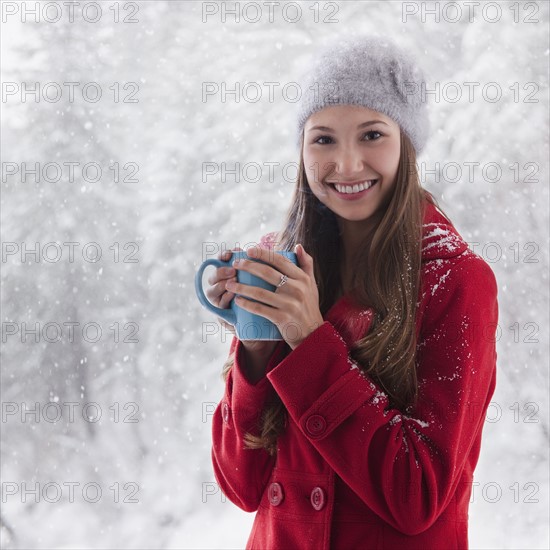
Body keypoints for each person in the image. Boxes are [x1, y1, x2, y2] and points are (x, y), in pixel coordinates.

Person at [205, 35, 499, 549]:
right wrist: (255, 349)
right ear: (300, 149)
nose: (346, 165)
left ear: (407, 143)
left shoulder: (455, 280)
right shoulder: (287, 267)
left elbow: (418, 496)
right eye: (323, 139)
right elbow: (241, 484)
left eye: (371, 135)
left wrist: (308, 339)